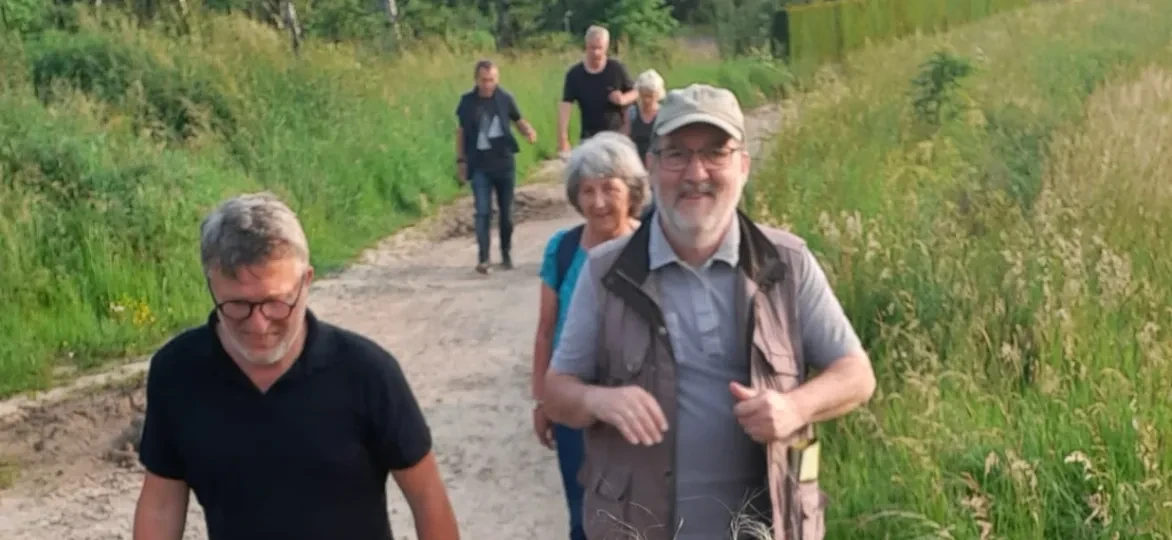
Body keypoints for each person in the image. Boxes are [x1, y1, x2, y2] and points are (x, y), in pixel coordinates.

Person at [541, 84, 877, 540]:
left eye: (716, 153)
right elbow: (556, 392)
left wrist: (794, 407)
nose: (696, 173)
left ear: (743, 166)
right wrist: (599, 401)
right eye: (677, 154)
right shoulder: (606, 271)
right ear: (652, 167)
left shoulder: (787, 263)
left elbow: (857, 375)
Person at [131, 192, 461, 540]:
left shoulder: (367, 373)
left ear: (306, 282)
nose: (259, 325)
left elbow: (427, 498)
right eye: (237, 305)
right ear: (211, 285)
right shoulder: (177, 373)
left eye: (276, 303)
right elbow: (161, 504)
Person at [531, 132, 649, 540]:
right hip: (574, 403)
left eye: (609, 189)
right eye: (587, 191)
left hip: (642, 404)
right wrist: (542, 400)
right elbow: (546, 330)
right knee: (584, 516)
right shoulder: (563, 249)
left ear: (632, 192)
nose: (598, 202)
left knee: (644, 512)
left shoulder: (653, 249)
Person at [455, 59, 538, 274]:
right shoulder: (467, 102)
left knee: (507, 213)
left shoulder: (505, 98)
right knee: (482, 212)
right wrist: (461, 160)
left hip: (504, 163)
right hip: (479, 165)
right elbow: (461, 132)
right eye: (484, 80)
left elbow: (517, 119)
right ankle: (484, 259)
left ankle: (506, 254)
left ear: (497, 79)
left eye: (491, 80)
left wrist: (528, 131)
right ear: (476, 80)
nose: (488, 84)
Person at [557, 25, 637, 158]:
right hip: (589, 137)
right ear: (586, 46)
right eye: (592, 48)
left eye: (600, 48)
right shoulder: (574, 74)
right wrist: (563, 138)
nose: (596, 53)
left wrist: (623, 99)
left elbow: (635, 92)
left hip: (616, 135)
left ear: (606, 47)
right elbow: (566, 105)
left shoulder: (616, 69)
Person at [621, 68, 665, 221]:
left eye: (650, 96)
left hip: (656, 165)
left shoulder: (662, 115)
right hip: (636, 165)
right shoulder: (632, 113)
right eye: (643, 95)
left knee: (657, 204)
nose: (646, 100)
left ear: (658, 95)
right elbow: (625, 137)